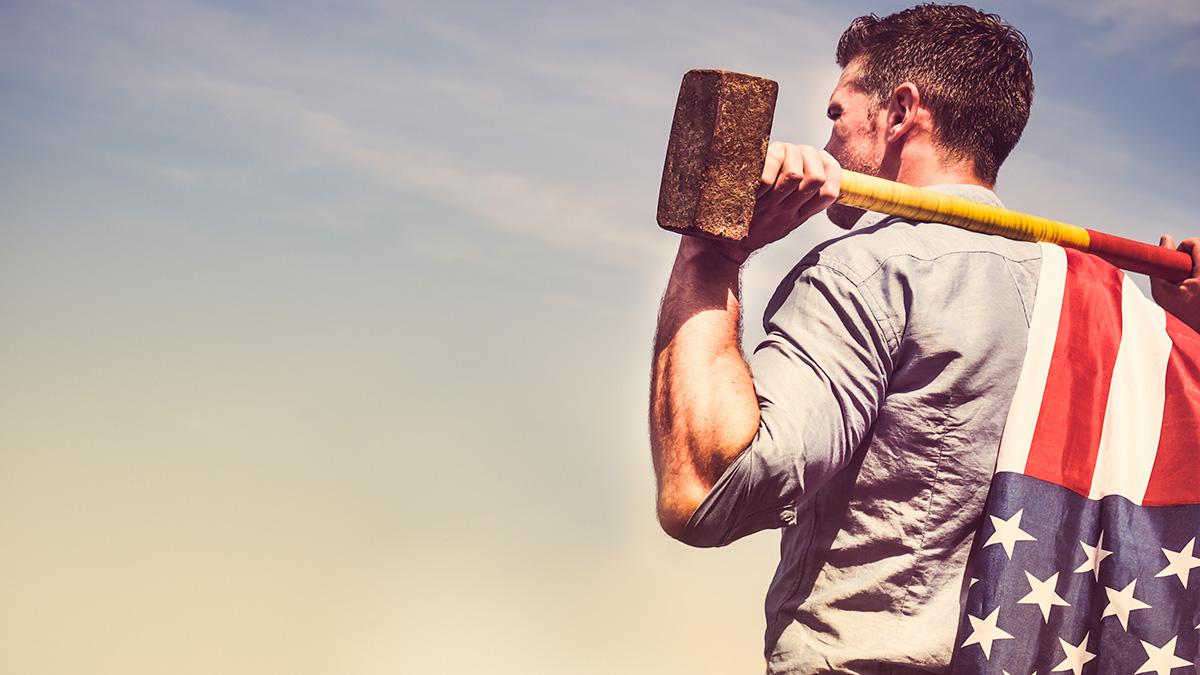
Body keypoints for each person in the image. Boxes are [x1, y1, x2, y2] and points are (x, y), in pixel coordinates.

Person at [648, 4, 1197, 673]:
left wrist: (711, 255)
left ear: (901, 111)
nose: (828, 144)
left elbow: (708, 487)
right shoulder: (1118, 316)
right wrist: (1184, 329)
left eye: (836, 116)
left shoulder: (866, 271)